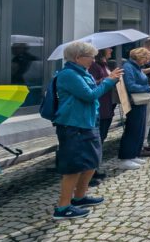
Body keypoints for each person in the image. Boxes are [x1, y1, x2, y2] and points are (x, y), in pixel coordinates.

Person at [52, 42, 123, 220]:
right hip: (73, 125)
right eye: (90, 56)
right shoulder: (68, 74)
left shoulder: (82, 72)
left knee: (92, 161)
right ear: (77, 58)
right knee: (74, 166)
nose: (93, 60)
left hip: (88, 122)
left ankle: (80, 197)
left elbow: (92, 91)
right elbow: (90, 95)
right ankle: (62, 207)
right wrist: (109, 81)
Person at [118, 47, 150, 169]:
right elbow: (130, 85)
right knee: (132, 129)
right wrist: (147, 88)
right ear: (141, 57)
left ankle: (134, 154)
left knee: (139, 129)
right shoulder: (129, 67)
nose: (147, 61)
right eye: (147, 58)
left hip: (140, 101)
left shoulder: (135, 67)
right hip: (134, 102)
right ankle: (125, 157)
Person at [87, 47, 118, 186]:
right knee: (97, 139)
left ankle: (94, 168)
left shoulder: (105, 64)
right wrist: (109, 79)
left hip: (107, 105)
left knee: (102, 137)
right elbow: (93, 85)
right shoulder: (94, 66)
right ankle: (90, 172)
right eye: (108, 48)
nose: (111, 50)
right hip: (101, 105)